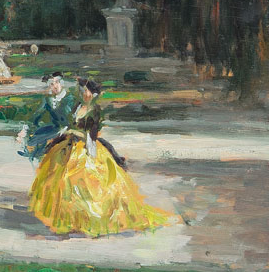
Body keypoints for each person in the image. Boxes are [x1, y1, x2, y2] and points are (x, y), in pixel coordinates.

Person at [28, 78, 173, 237]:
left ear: (93, 94)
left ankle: (90, 218)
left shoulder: (95, 110)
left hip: (86, 148)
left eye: (86, 91)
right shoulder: (77, 106)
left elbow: (91, 134)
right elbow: (71, 124)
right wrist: (66, 132)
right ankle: (70, 220)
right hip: (69, 144)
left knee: (83, 180)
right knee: (59, 178)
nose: (83, 93)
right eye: (82, 90)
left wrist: (75, 133)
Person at [16, 72, 76, 162]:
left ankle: (37, 154)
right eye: (52, 84)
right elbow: (37, 114)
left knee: (47, 139)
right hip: (54, 127)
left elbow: (72, 118)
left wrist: (67, 129)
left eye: (57, 82)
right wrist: (25, 129)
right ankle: (32, 152)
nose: (55, 86)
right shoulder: (48, 99)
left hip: (66, 129)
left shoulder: (70, 98)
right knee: (36, 134)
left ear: (62, 83)